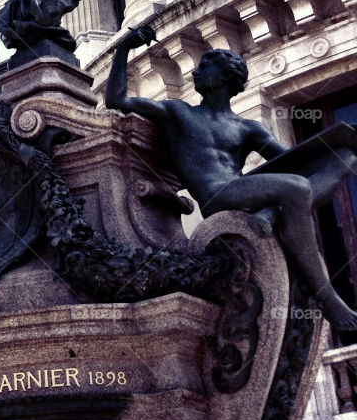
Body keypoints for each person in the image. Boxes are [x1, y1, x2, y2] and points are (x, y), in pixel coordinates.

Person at [106, 25, 357, 331]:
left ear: (224, 77)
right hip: (217, 196)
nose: (196, 71)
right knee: (296, 187)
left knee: (346, 157)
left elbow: (294, 161)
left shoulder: (246, 128)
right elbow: (116, 99)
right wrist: (124, 48)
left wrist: (336, 143)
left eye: (207, 66)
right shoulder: (178, 112)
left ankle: (271, 213)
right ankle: (327, 295)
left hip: (244, 189)